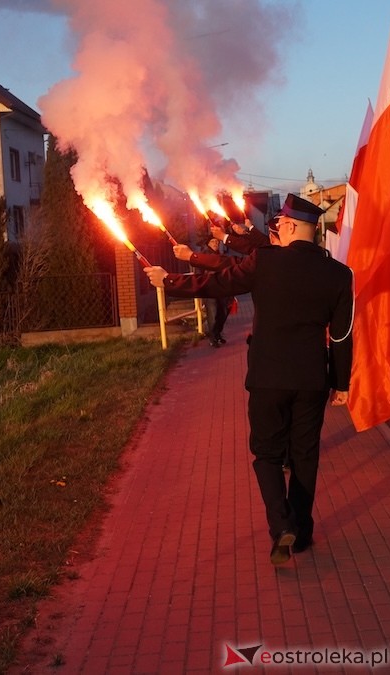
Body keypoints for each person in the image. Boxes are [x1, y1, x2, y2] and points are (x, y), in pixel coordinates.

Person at [144, 193, 354, 566]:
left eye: (278, 227)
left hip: (268, 376)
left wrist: (169, 281)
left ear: (288, 226)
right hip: (312, 379)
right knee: (305, 456)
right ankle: (302, 531)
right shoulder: (339, 274)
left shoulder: (265, 262)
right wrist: (341, 382)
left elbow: (220, 283)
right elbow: (340, 336)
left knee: (268, 455)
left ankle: (281, 525)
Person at [173, 238, 235, 347]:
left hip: (222, 289)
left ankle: (217, 334)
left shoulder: (220, 255)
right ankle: (212, 338)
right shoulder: (204, 256)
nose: (215, 244)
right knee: (213, 314)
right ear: (208, 243)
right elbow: (199, 274)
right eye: (213, 242)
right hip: (210, 290)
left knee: (223, 312)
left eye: (217, 242)